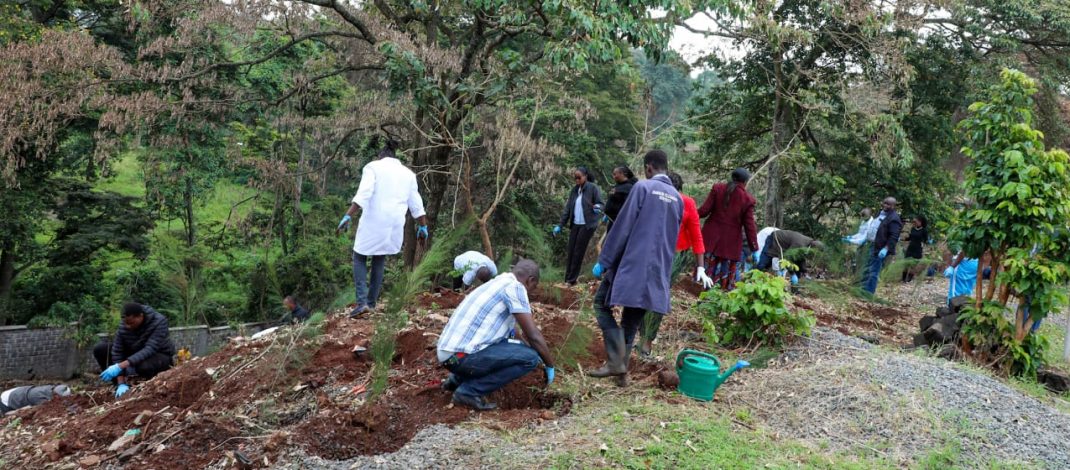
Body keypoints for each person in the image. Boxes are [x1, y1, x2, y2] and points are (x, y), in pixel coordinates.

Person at [589, 150, 682, 386]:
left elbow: (623, 226)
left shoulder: (643, 188)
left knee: (601, 304)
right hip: (658, 270)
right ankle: (621, 375)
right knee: (630, 320)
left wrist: (605, 260)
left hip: (633, 264)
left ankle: (615, 362)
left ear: (648, 168)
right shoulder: (677, 198)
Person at [436, 260, 556, 411]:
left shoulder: (498, 282)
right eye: (534, 286)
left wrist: (526, 348)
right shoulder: (516, 287)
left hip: (450, 356)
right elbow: (533, 334)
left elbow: (514, 334)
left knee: (519, 349)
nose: (532, 291)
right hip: (462, 357)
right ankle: (469, 392)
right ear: (530, 280)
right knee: (529, 359)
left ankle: (456, 380)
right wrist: (549, 365)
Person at [338, 140, 429, 318]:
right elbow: (416, 204)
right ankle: (371, 304)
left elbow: (364, 193)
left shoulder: (373, 167)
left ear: (380, 156)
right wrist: (423, 226)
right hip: (394, 223)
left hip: (375, 219)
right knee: (379, 258)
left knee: (359, 256)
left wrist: (349, 214)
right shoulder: (408, 174)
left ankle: (362, 302)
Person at [637, 172, 712, 357]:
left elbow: (696, 234)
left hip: (675, 256)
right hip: (652, 251)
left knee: (656, 295)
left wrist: (701, 267)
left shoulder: (686, 202)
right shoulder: (653, 196)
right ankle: (640, 336)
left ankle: (646, 340)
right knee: (642, 293)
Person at [94, 303, 176, 399]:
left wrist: (120, 366)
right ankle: (120, 386)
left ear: (141, 316)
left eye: (131, 323)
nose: (128, 326)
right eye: (126, 323)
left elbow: (150, 349)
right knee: (101, 349)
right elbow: (118, 351)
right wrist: (120, 382)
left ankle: (147, 387)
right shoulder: (125, 324)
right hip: (134, 353)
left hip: (158, 355)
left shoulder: (159, 322)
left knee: (144, 366)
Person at [697, 168, 759, 291]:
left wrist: (689, 214)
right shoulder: (747, 199)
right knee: (724, 275)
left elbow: (703, 211)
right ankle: (719, 294)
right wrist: (754, 248)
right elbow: (749, 226)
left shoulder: (717, 188)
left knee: (706, 267)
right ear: (745, 182)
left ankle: (700, 289)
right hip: (729, 244)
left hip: (711, 237)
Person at [553, 167, 603, 286]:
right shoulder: (575, 190)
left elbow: (601, 204)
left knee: (578, 252)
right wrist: (560, 225)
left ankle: (571, 280)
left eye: (579, 177)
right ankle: (567, 279)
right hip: (575, 224)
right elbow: (568, 209)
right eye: (575, 177)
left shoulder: (592, 188)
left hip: (587, 225)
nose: (577, 180)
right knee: (571, 251)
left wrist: (598, 207)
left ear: (585, 176)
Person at [862, 197, 904, 294]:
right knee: (866, 269)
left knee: (873, 271)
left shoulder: (894, 218)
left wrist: (886, 249)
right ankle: (862, 290)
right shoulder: (880, 214)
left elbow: (894, 236)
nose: (885, 205)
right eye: (884, 203)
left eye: (888, 204)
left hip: (880, 248)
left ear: (893, 206)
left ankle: (868, 293)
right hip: (872, 245)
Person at [756, 229, 825, 283]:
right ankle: (752, 278)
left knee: (797, 271)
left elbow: (800, 258)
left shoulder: (807, 245)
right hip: (774, 238)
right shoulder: (799, 244)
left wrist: (804, 271)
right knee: (764, 263)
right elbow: (787, 258)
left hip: (783, 246)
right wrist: (792, 273)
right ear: (813, 248)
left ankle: (795, 289)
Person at [602, 166, 637, 231]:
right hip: (611, 221)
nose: (613, 176)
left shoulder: (629, 188)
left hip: (619, 223)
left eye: (615, 174)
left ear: (623, 174)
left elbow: (628, 206)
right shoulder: (618, 186)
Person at [0, 384, 71, 414]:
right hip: (9, 399)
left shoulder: (50, 388)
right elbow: (31, 409)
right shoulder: (41, 399)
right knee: (7, 415)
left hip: (17, 391)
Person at [901, 215, 929, 282]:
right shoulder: (913, 229)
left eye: (916, 221)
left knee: (913, 264)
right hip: (910, 248)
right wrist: (904, 238)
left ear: (920, 222)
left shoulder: (924, 231)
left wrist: (924, 248)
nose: (915, 223)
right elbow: (910, 237)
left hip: (918, 249)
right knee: (906, 262)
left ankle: (909, 278)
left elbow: (925, 240)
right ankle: (903, 277)